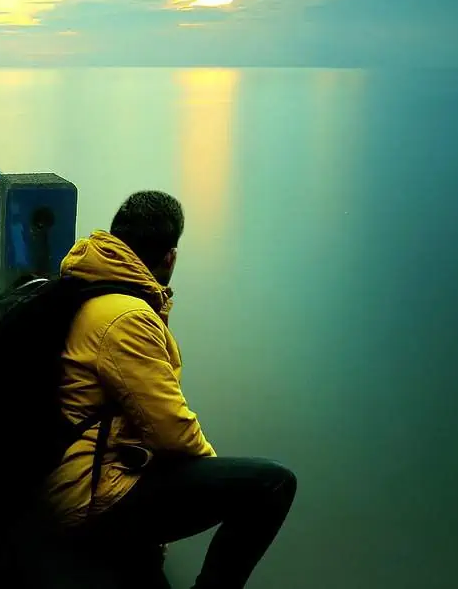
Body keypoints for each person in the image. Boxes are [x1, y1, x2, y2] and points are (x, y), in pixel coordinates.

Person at [44, 190, 297, 589]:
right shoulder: (127, 318)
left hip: (64, 470)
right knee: (272, 485)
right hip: (88, 498)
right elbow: (172, 432)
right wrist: (212, 477)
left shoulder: (83, 285)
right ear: (170, 258)